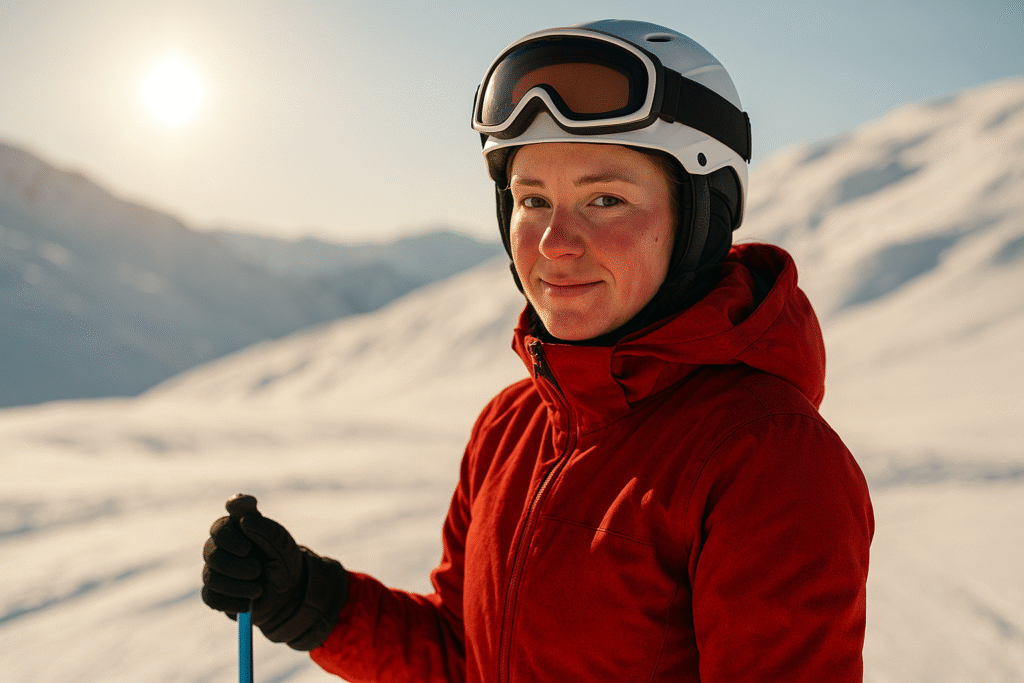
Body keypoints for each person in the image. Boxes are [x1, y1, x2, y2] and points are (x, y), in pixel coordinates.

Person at [202, 19, 874, 682]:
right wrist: (310, 600)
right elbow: (465, 656)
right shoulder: (512, 424)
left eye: (604, 198)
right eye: (532, 199)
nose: (555, 241)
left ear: (702, 214)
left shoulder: (766, 457)